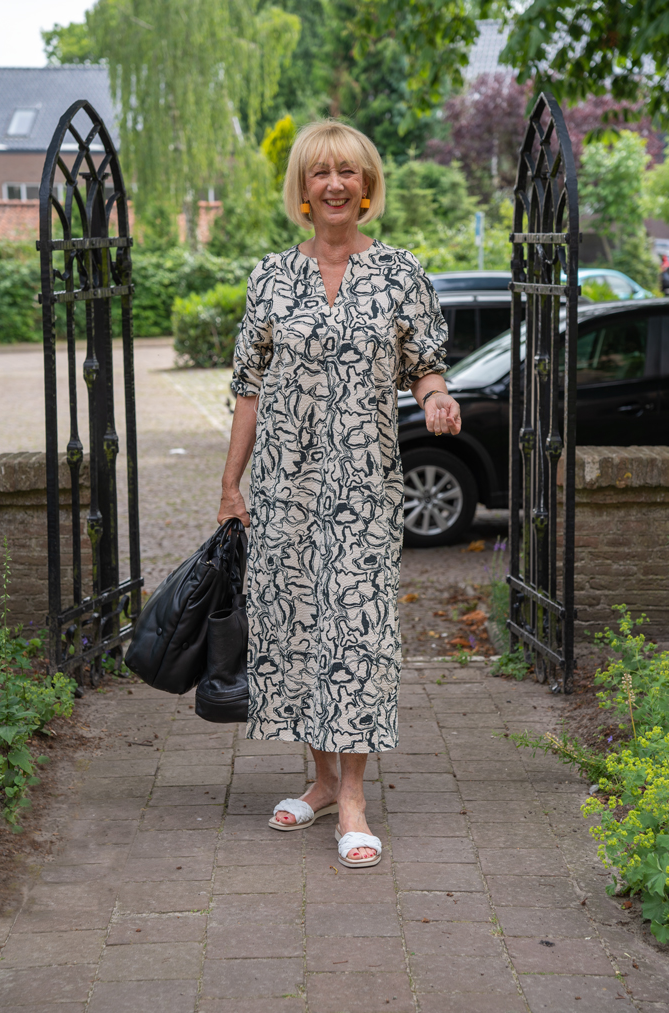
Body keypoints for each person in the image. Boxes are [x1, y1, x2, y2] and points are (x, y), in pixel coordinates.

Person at [217, 120, 461, 868]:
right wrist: (230, 484)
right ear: (302, 187)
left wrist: (436, 397)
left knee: (357, 634)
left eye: (347, 172)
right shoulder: (269, 277)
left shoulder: (399, 272)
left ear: (366, 186)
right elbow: (248, 389)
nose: (334, 184)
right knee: (296, 630)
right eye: (320, 172)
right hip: (284, 487)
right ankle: (320, 780)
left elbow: (423, 363)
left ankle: (352, 798)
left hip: (364, 488)